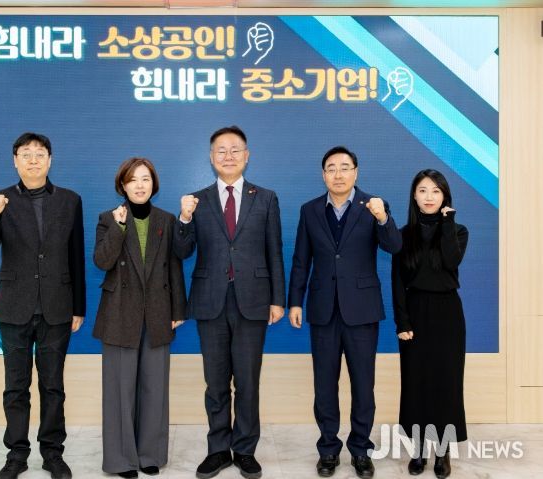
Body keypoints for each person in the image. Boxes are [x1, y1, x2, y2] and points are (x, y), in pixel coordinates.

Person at [173, 125, 285, 479]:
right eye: (221, 150)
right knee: (216, 382)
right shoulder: (197, 200)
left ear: (246, 155)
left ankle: (245, 449)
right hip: (210, 302)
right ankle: (218, 449)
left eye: (235, 149)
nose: (228, 156)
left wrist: (278, 299)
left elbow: (275, 251)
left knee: (248, 382)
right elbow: (182, 251)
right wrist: (184, 219)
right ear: (211, 157)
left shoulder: (265, 198)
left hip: (254, 300)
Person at [0, 132, 86, 479]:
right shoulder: (0, 199)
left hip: (57, 306)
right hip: (13, 306)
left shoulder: (69, 200)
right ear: (15, 161)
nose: (33, 160)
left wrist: (78, 307)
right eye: (26, 154)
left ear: (50, 160)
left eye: (40, 154)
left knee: (53, 386)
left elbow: (76, 256)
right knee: (16, 386)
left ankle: (52, 453)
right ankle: (16, 455)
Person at [288, 146, 402, 479]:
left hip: (362, 311)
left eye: (344, 167)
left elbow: (394, 246)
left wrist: (383, 218)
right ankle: (328, 449)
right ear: (323, 174)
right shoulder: (310, 210)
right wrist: (295, 301)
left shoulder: (374, 205)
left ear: (356, 172)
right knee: (324, 385)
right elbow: (301, 260)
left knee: (363, 385)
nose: (338, 174)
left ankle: (361, 450)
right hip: (323, 310)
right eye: (331, 168)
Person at [93, 157, 186, 478]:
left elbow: (174, 268)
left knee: (154, 387)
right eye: (132, 179)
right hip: (120, 312)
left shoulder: (166, 220)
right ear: (123, 185)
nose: (140, 185)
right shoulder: (108, 218)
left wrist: (178, 310)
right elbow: (102, 261)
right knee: (119, 389)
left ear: (153, 184)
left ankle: (150, 455)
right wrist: (118, 228)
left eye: (145, 178)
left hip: (158, 312)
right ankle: (121, 460)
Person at [392, 169, 468, 479]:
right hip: (414, 311)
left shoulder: (458, 230)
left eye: (436, 191)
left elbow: (451, 261)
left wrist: (447, 222)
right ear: (414, 195)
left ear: (444, 196)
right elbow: (397, 281)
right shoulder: (403, 234)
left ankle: (443, 450)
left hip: (448, 313)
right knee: (416, 383)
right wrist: (402, 321)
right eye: (423, 190)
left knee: (446, 383)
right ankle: (419, 449)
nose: (429, 196)